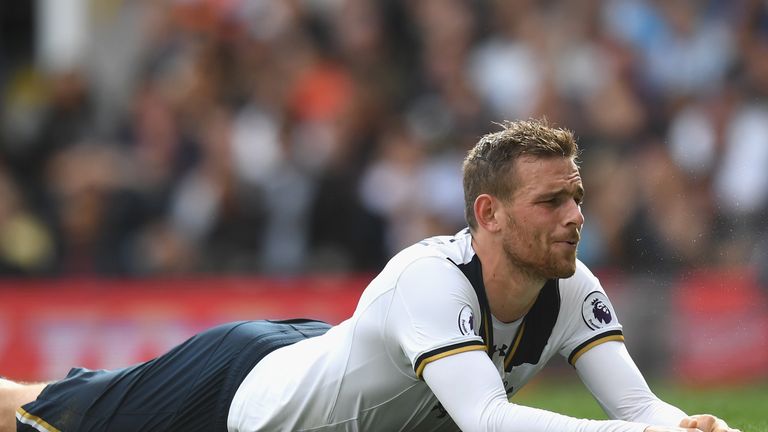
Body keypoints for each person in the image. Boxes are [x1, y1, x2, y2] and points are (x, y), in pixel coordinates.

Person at [0, 119, 740, 432]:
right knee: (49, 415)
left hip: (322, 353)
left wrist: (691, 425)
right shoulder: (431, 281)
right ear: (488, 213)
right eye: (551, 201)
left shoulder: (573, 288)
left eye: (576, 196)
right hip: (240, 393)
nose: (574, 215)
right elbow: (487, 422)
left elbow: (638, 409)